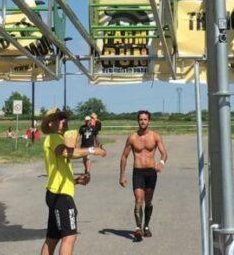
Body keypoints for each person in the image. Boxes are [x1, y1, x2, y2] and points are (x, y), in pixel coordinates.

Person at [39, 107, 106, 255]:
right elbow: (66, 152)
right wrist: (92, 150)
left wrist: (74, 181)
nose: (63, 121)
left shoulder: (54, 139)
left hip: (55, 192)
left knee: (52, 238)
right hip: (61, 196)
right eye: (59, 118)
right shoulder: (54, 138)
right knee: (69, 237)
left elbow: (58, 170)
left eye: (64, 118)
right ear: (50, 123)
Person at [118, 110, 167, 242]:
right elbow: (124, 156)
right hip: (138, 172)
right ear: (138, 121)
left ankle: (146, 226)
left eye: (145, 119)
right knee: (139, 199)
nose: (143, 122)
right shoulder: (132, 137)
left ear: (149, 121)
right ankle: (138, 228)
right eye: (140, 119)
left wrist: (161, 163)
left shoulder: (155, 136)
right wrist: (122, 175)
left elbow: (164, 153)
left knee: (148, 201)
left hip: (151, 172)